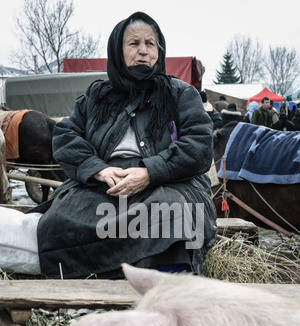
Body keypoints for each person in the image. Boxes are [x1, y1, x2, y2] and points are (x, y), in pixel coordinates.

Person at [0, 12, 216, 279]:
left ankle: (166, 279)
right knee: (61, 219)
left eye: (150, 44)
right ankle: (102, 273)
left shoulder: (180, 94)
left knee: (173, 212)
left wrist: (150, 172)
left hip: (166, 183)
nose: (143, 51)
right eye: (134, 43)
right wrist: (98, 170)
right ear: (117, 50)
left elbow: (200, 145)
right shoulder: (97, 95)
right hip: (103, 185)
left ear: (159, 52)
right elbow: (66, 136)